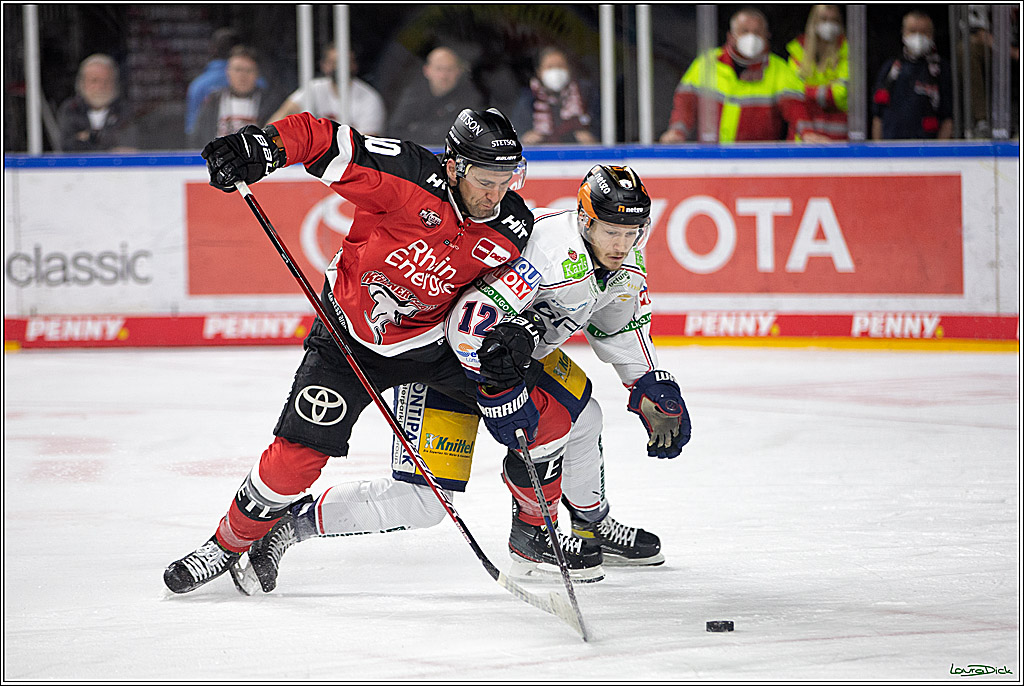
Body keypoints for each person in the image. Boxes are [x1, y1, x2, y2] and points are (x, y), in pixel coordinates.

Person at [235, 165, 690, 594]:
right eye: (611, 231)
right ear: (586, 221)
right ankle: (289, 523)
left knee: (582, 418)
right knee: (422, 502)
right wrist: (501, 392)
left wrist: (649, 382)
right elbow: (468, 325)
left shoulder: (626, 260)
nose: (621, 243)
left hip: (509, 362)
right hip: (445, 360)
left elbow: (618, 325)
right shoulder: (549, 253)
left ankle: (584, 526)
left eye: (631, 232)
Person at [163, 106, 535, 595]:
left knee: (541, 410)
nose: (496, 194)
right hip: (347, 340)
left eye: (507, 180)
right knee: (297, 457)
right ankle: (226, 544)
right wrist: (259, 147)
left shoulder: (513, 225)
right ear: (454, 167)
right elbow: (319, 137)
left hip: (435, 348)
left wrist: (519, 329)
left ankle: (548, 530)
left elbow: (515, 292)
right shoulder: (407, 175)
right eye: (486, 180)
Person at [659, 8, 822, 143]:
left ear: (767, 36)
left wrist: (807, 133)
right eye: (744, 31)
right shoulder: (708, 63)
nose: (751, 37)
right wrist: (677, 132)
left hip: (760, 157)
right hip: (713, 156)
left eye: (757, 32)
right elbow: (685, 102)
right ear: (731, 36)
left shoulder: (778, 69)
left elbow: (795, 107)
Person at [265, 43, 386, 135]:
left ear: (354, 65)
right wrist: (267, 139)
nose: (339, 67)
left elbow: (368, 141)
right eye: (333, 62)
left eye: (345, 62)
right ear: (324, 65)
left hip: (351, 159)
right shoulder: (314, 89)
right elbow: (283, 114)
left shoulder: (369, 98)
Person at [871, 10, 954, 140]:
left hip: (927, 148)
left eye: (924, 32)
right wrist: (878, 149)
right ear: (903, 33)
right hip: (891, 147)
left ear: (932, 35)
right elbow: (878, 116)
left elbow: (948, 119)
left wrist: (938, 150)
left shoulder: (941, 69)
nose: (918, 37)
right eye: (912, 31)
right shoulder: (890, 68)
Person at [388, 46, 485, 147]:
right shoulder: (413, 95)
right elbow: (395, 131)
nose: (444, 76)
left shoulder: (471, 99)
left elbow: (469, 134)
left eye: (449, 69)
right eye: (439, 69)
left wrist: (419, 129)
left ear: (459, 71)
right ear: (427, 70)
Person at [188, 46, 277, 149]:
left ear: (257, 74)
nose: (242, 76)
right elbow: (197, 136)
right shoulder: (213, 100)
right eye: (238, 70)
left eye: (248, 70)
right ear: (228, 72)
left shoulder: (270, 101)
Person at [786, 5, 850, 141]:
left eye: (834, 20)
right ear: (814, 22)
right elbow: (793, 97)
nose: (829, 25)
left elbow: (840, 95)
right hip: (802, 140)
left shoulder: (847, 52)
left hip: (836, 140)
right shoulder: (797, 52)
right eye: (824, 19)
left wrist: (807, 92)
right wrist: (826, 92)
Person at [57, 54, 137, 152]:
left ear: (115, 83)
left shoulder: (125, 110)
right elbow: (68, 146)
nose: (101, 87)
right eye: (94, 81)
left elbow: (128, 144)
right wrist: (106, 146)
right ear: (82, 83)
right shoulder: (71, 109)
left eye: (107, 81)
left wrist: (88, 137)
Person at [518, 46, 598, 145]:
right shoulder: (529, 99)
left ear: (569, 69)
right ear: (539, 72)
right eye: (550, 67)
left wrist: (592, 138)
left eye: (560, 66)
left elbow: (603, 130)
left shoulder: (585, 95)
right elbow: (517, 132)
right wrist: (526, 138)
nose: (555, 72)